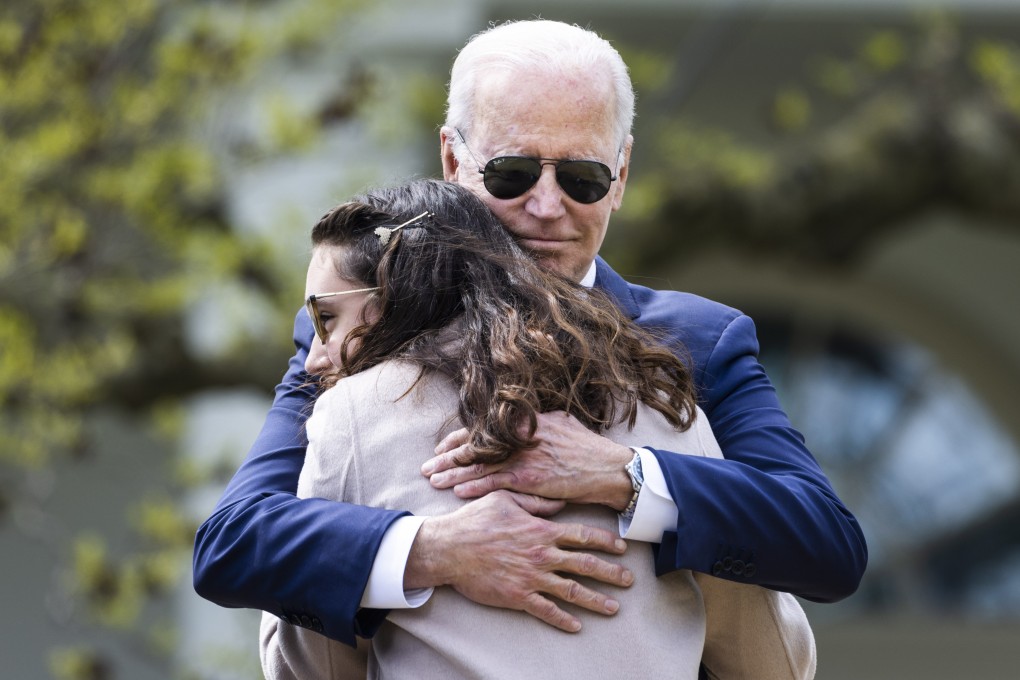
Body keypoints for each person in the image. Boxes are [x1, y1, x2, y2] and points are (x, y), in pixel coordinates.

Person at [193, 19, 867, 648]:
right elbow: (233, 543)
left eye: (582, 178)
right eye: (512, 173)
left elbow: (826, 544)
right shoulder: (365, 321)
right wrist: (440, 550)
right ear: (453, 162)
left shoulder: (698, 338)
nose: (547, 208)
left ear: (622, 176)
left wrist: (627, 476)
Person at [260, 178, 816, 680]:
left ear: (390, 294)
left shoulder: (350, 415)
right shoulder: (663, 399)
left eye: (325, 317)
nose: (313, 358)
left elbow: (315, 663)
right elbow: (776, 665)